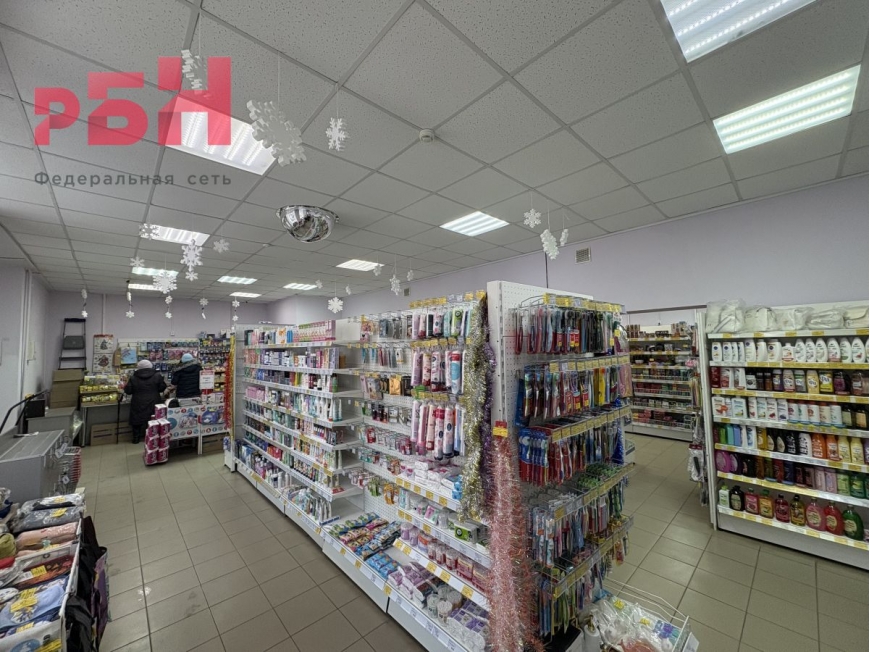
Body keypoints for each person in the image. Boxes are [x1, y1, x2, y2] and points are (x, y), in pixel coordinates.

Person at [124, 359, 166, 444]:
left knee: (136, 419)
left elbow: (128, 391)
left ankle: (136, 438)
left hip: (138, 401)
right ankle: (153, 438)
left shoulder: (133, 377)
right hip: (154, 400)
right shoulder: (157, 376)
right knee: (153, 419)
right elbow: (162, 388)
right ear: (150, 366)